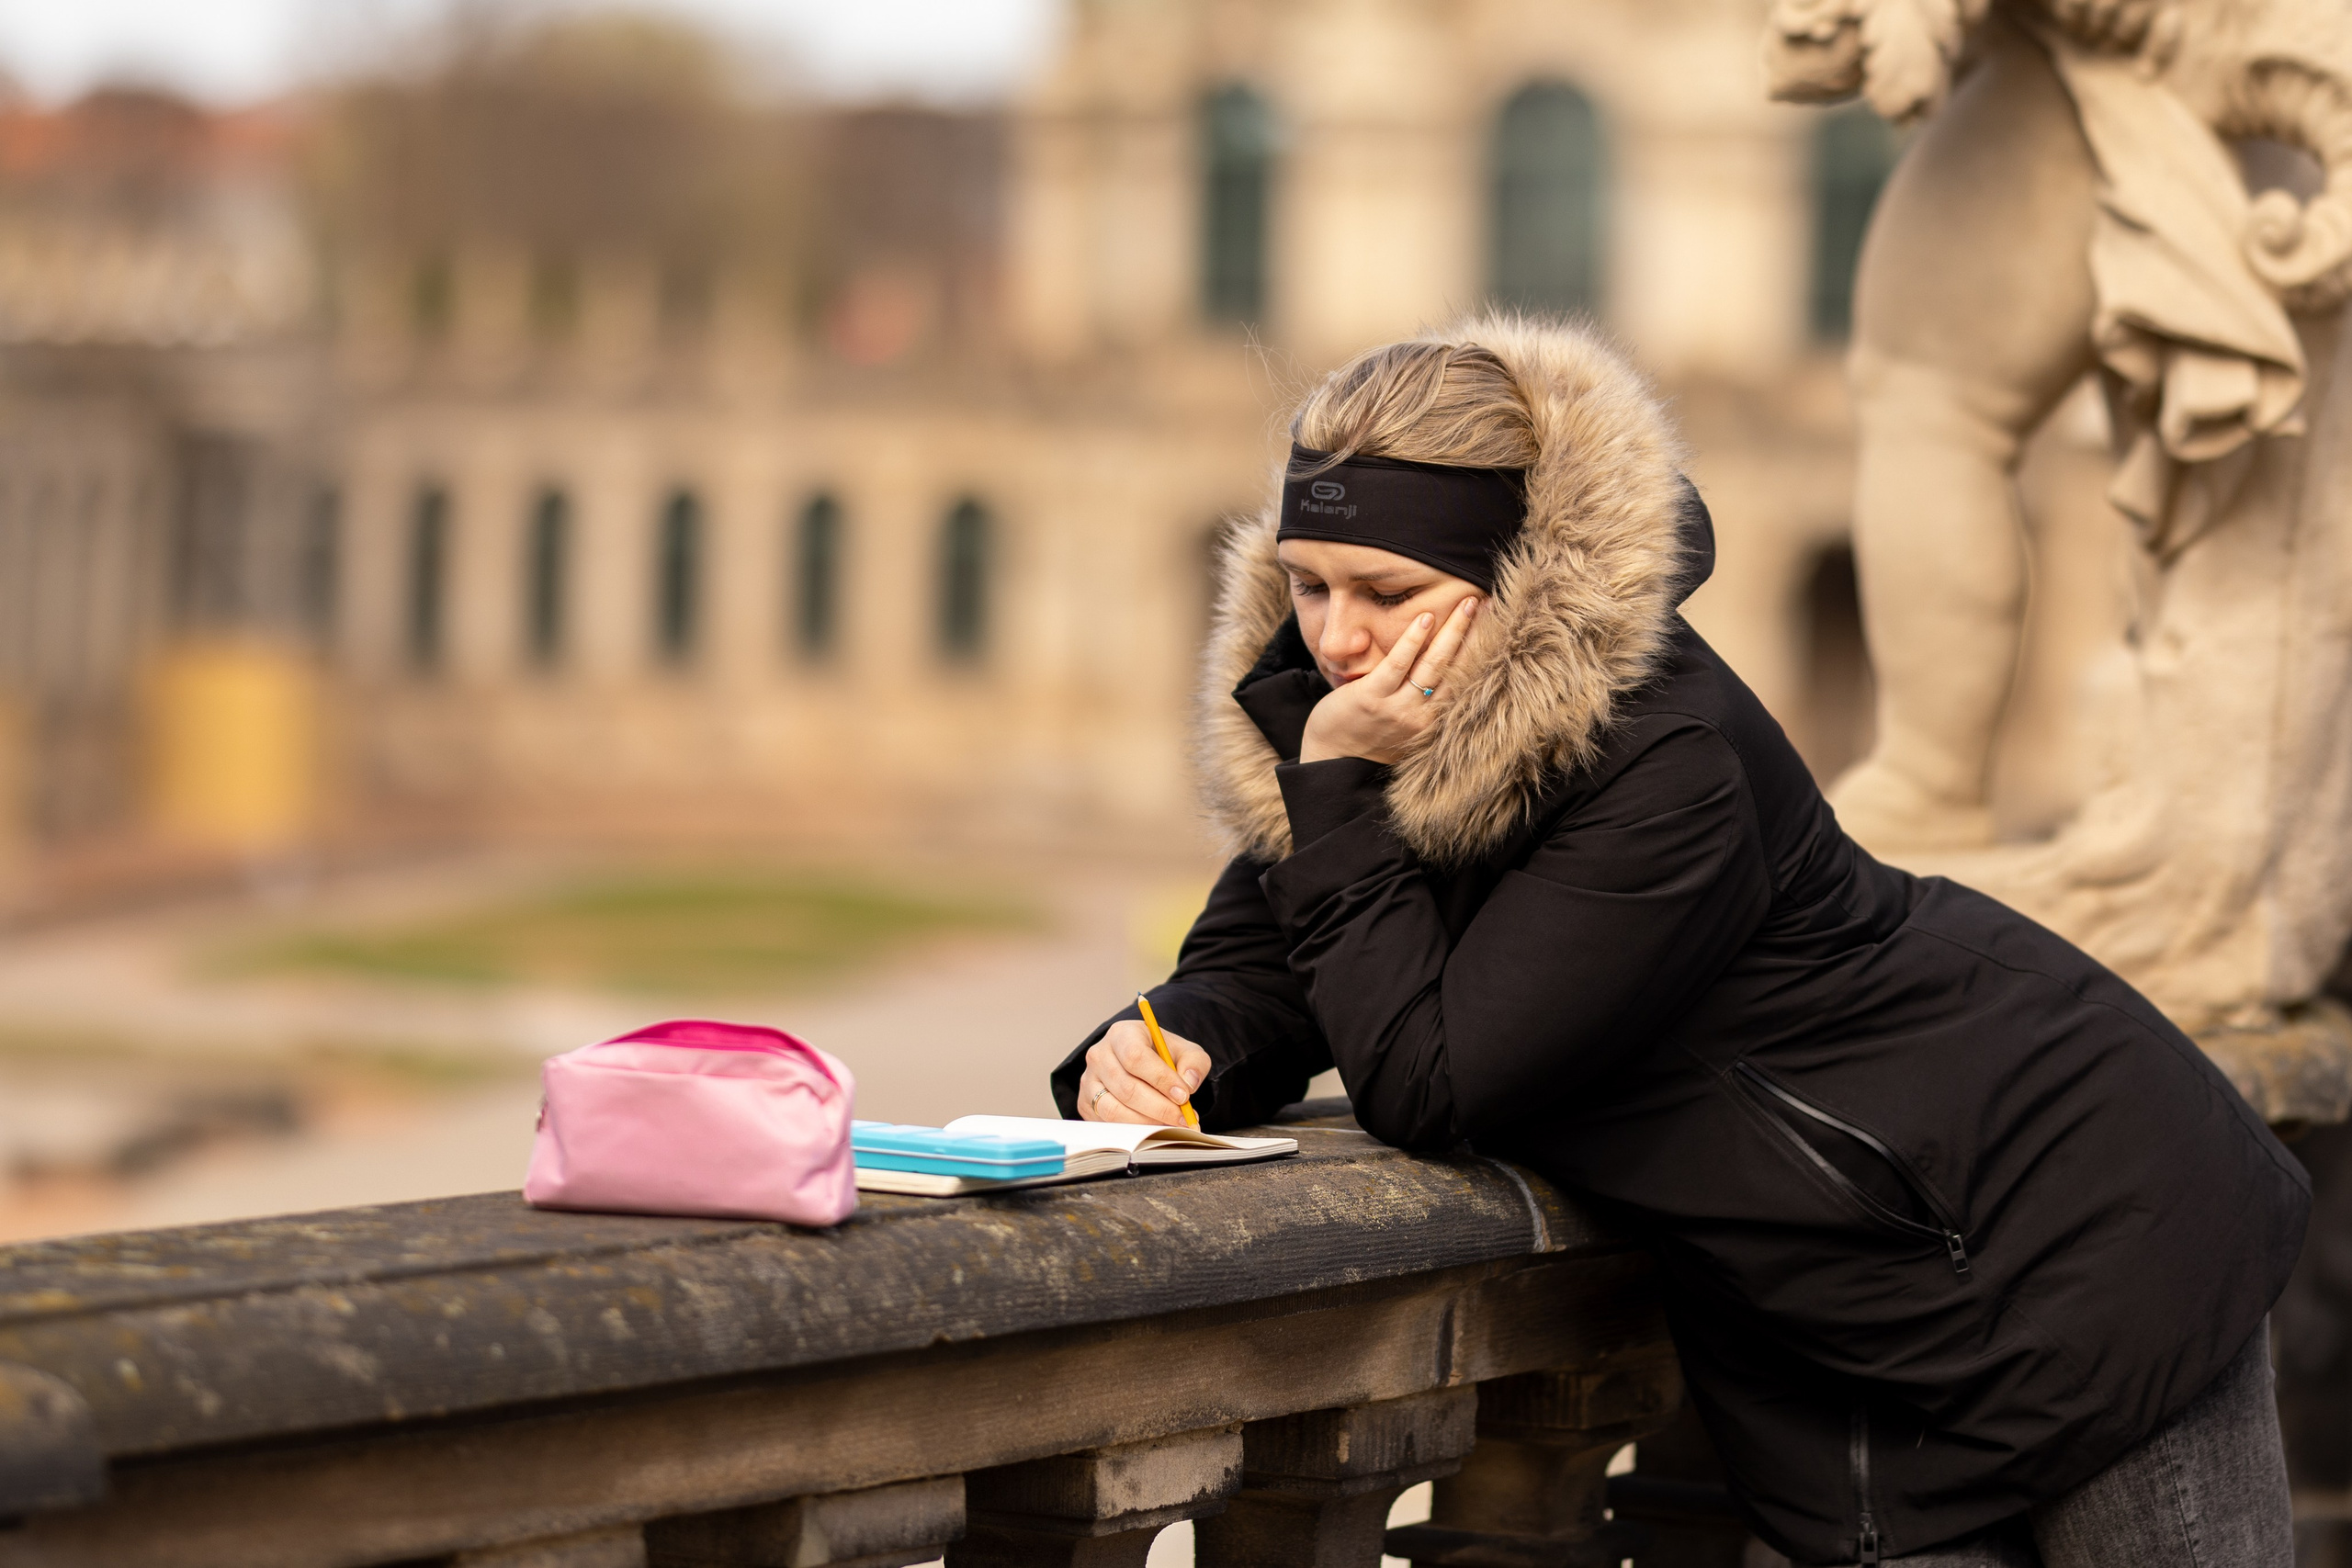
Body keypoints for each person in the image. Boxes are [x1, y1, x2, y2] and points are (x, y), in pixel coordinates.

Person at [1048, 314, 2310, 1567]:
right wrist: (1168, 1050)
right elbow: (1262, 965)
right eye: (1310, 584)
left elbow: (1432, 1077)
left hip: (2080, 1226)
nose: (1334, 640)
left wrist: (1334, 793)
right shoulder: (1355, 734)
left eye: (1389, 593)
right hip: (1853, 1319)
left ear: (1518, 579)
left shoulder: (1664, 761)